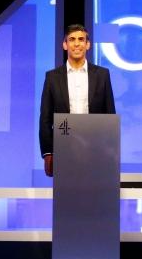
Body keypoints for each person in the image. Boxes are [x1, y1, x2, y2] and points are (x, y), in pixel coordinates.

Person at [38, 24, 117, 177]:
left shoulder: (102, 75)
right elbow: (45, 118)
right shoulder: (52, 77)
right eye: (72, 39)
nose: (76, 44)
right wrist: (47, 152)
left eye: (81, 39)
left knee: (96, 190)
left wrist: (112, 149)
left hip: (98, 148)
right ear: (65, 44)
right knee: (67, 190)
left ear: (88, 44)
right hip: (64, 147)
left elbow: (110, 114)